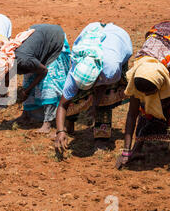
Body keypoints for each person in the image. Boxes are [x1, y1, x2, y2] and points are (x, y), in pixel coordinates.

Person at [116, 21, 170, 169]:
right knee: (146, 108)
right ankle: (140, 141)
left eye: (152, 92)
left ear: (162, 83)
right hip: (159, 53)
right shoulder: (139, 76)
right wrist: (126, 152)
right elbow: (132, 114)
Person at [54, 22, 133, 153]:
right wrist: (59, 131)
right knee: (75, 95)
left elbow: (102, 87)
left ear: (98, 77)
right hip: (93, 31)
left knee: (106, 96)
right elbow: (62, 104)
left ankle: (102, 137)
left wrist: (95, 105)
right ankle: (68, 126)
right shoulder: (76, 69)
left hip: (119, 39)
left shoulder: (110, 70)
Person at [0, 24, 68, 125]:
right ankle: (26, 115)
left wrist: (27, 91)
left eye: (4, 78)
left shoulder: (23, 61)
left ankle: (48, 122)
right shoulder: (9, 61)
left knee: (49, 84)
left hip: (54, 38)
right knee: (28, 80)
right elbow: (2, 89)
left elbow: (44, 71)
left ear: (8, 71)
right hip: (37, 42)